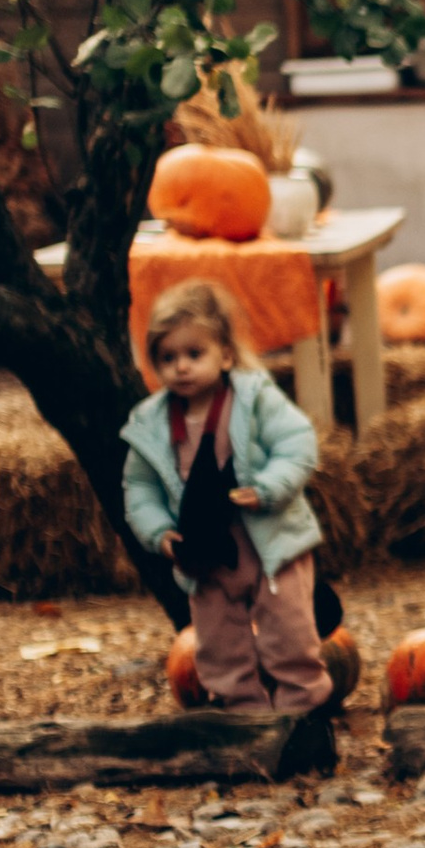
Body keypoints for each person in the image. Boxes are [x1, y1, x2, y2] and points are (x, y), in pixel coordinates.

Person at [122, 279, 332, 724]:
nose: (181, 367)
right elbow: (138, 488)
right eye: (167, 358)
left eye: (194, 354)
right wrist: (159, 533)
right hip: (205, 553)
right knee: (219, 642)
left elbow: (297, 443)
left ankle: (304, 711)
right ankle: (244, 717)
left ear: (226, 355)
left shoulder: (254, 398)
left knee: (288, 631)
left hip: (270, 543)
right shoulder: (151, 422)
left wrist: (269, 488)